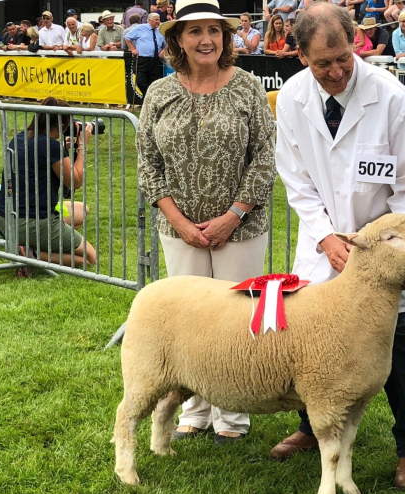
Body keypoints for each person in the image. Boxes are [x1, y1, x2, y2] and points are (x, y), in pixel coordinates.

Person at [274, 1, 405, 491]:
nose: (336, 71)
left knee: (394, 341)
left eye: (343, 58)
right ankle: (311, 427)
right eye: (322, 63)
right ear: (300, 55)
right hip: (322, 244)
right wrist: (325, 236)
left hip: (382, 249)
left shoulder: (389, 97)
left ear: (356, 44)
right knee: (313, 340)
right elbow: (296, 178)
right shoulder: (291, 98)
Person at [138, 0, 276, 445]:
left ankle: (232, 418)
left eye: (214, 30)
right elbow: (148, 164)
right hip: (179, 232)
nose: (206, 40)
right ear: (177, 39)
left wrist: (232, 216)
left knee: (236, 323)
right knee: (189, 323)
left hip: (242, 229)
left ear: (226, 37)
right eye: (194, 31)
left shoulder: (248, 87)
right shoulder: (159, 94)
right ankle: (193, 411)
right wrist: (178, 221)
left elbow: (264, 158)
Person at [0, 97, 97, 270]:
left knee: (82, 210)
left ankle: (36, 246)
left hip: (7, 220)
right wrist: (82, 146)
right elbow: (75, 182)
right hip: (32, 222)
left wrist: (64, 151)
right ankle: (32, 254)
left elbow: (44, 159)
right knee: (90, 259)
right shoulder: (50, 146)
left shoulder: (21, 138)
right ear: (62, 125)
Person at [126, 13, 167, 99]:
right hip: (143, 59)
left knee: (155, 82)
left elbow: (166, 45)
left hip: (156, 60)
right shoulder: (140, 28)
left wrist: (163, 51)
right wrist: (133, 49)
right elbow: (127, 38)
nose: (158, 21)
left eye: (158, 19)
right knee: (140, 81)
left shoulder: (160, 31)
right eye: (156, 20)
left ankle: (151, 100)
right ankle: (148, 97)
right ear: (149, 20)